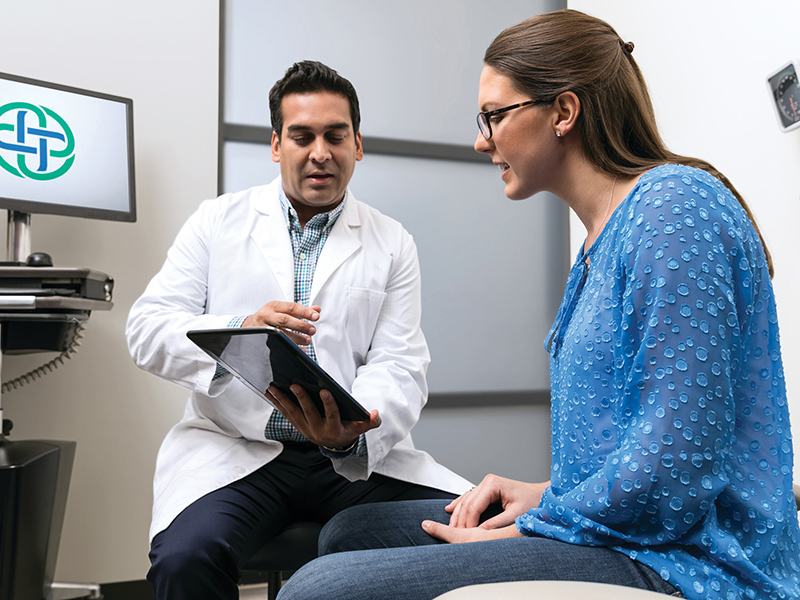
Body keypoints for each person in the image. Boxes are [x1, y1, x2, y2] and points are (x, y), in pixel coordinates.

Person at [274, 11, 800, 600]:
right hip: (632, 533)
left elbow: (676, 467)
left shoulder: (673, 211)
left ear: (563, 112)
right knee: (350, 531)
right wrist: (544, 493)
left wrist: (537, 523)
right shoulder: (603, 237)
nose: (482, 140)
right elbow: (631, 446)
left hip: (691, 562)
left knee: (318, 590)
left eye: (494, 116)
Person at [126, 60, 472, 600]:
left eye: (335, 135)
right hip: (239, 450)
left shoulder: (392, 241)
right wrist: (239, 330)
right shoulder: (217, 222)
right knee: (186, 558)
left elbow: (399, 362)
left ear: (357, 144)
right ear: (275, 145)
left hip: (349, 458)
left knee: (477, 526)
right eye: (302, 136)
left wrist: (353, 432)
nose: (320, 152)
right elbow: (147, 329)